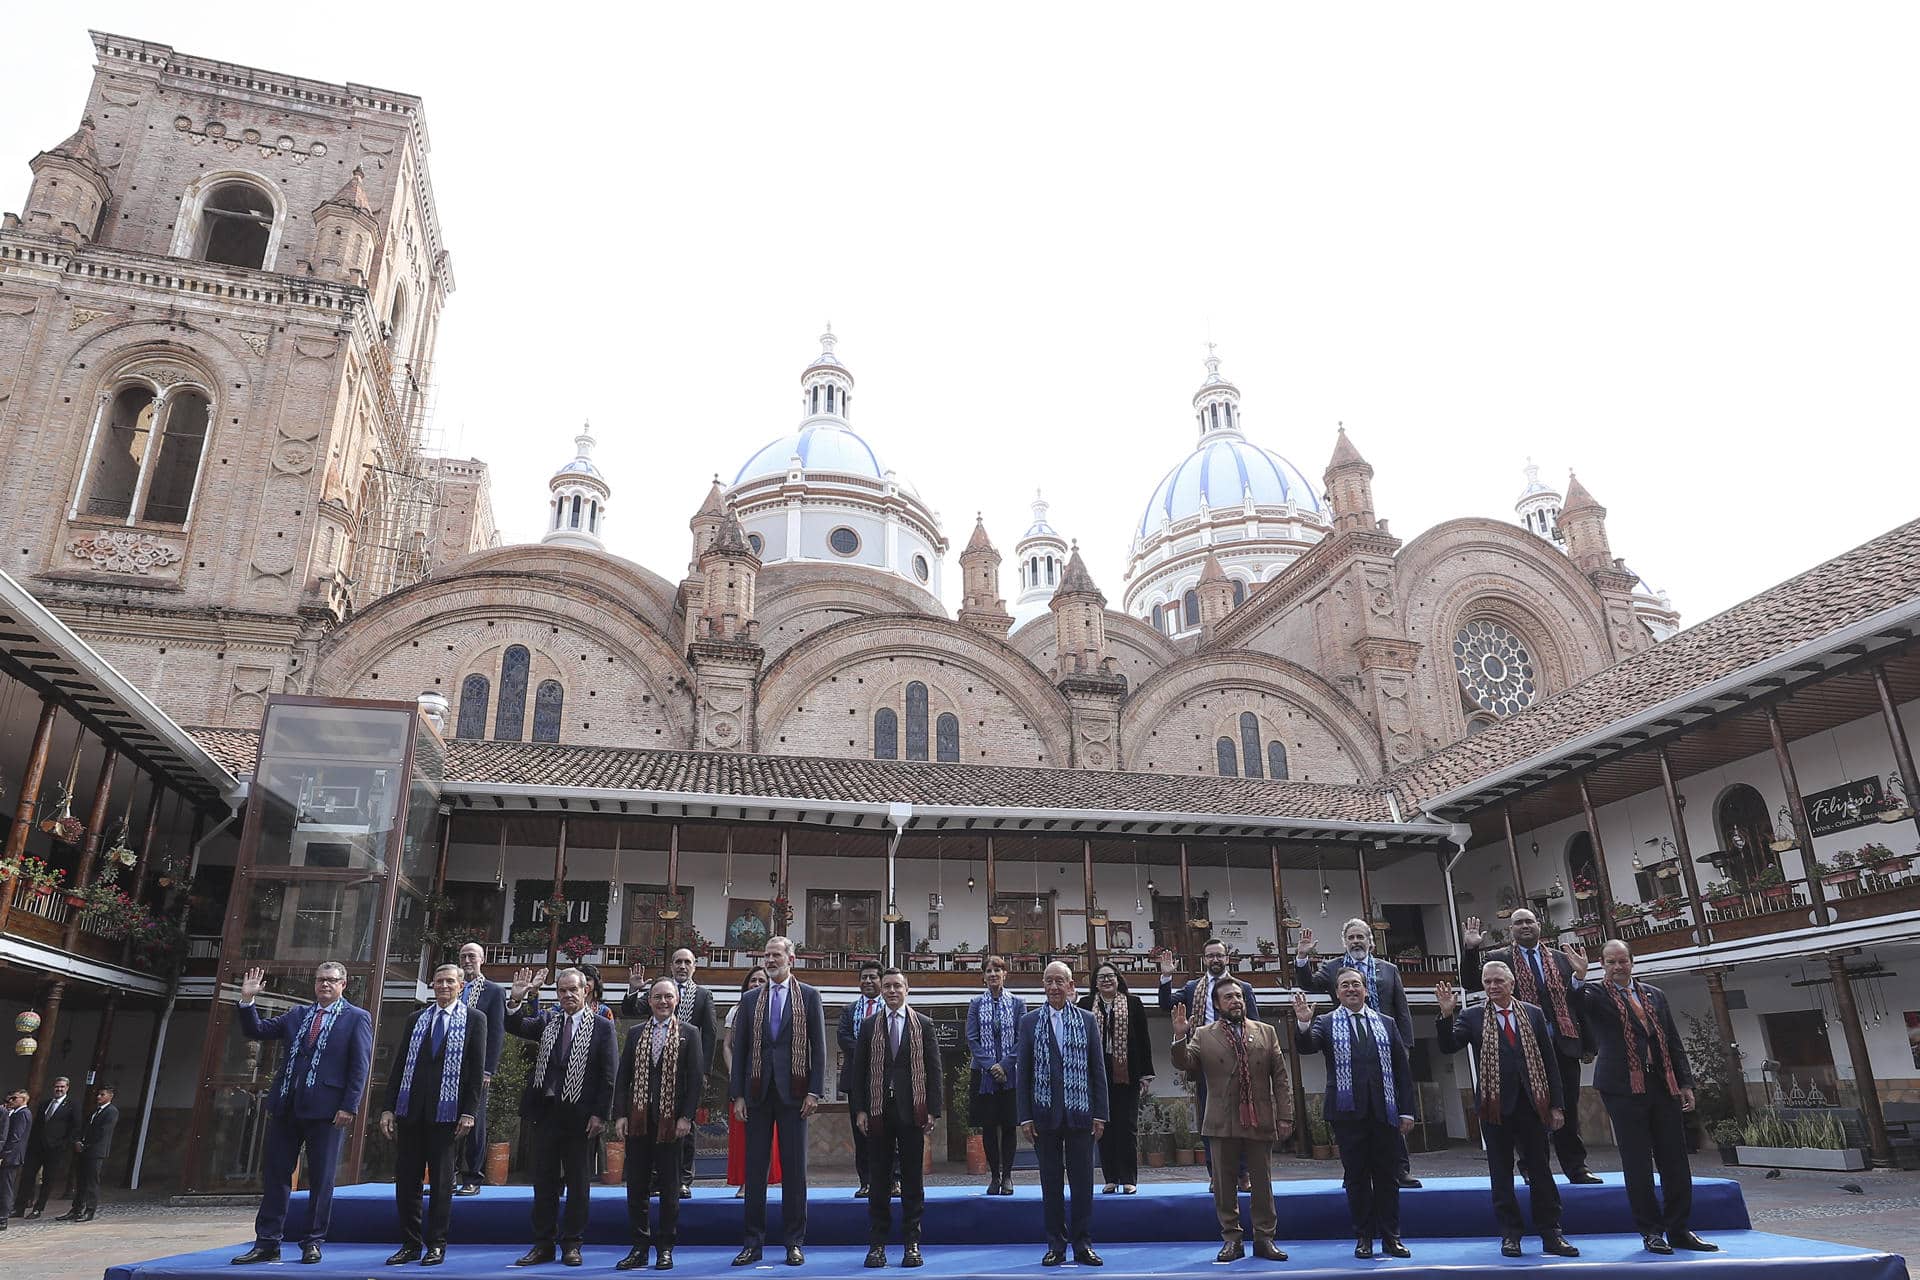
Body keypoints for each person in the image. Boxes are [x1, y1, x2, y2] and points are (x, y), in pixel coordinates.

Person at [1560, 940, 1716, 1255]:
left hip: (1662, 1084)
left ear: (1632, 961)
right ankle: (1651, 1231)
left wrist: (1685, 1082)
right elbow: (1574, 1003)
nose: (1617, 967)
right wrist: (1578, 977)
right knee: (1637, 1161)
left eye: (1622, 961)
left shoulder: (1654, 995)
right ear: (1603, 965)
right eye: (1610, 962)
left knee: (1675, 1159)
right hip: (1622, 1087)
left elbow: (1672, 1039)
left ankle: (1679, 1228)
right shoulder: (1595, 994)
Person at [231, 962, 374, 1264]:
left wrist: (350, 1105)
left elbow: (359, 1067)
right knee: (276, 1176)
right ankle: (267, 1242)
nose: (325, 985)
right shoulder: (298, 1015)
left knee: (321, 1179)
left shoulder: (356, 1018)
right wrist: (247, 1000)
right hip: (287, 1106)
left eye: (331, 981)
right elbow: (256, 1029)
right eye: (320, 980)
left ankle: (313, 1241)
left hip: (328, 1112)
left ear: (343, 985)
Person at [1434, 966, 1578, 1259]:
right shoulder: (1471, 1016)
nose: (1492, 986)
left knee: (1540, 1171)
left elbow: (1550, 1062)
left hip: (1532, 1105)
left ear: (1511, 983)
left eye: (1498, 980)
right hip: (1494, 1107)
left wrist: (1557, 1105)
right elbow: (1450, 1045)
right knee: (1501, 1174)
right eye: (1487, 981)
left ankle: (1551, 1233)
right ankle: (1510, 1235)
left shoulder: (1533, 1013)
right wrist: (1446, 1016)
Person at [1460, 912, 1601, 1183]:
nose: (1525, 926)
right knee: (1527, 1110)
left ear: (1539, 926)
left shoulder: (1561, 959)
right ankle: (1530, 1168)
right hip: (1521, 1048)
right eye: (1518, 923)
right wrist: (1470, 949)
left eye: (1529, 922)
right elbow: (1469, 981)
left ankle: (1576, 1167)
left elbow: (1575, 1005)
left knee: (1566, 1108)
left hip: (1561, 1045)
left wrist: (1580, 979)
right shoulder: (1499, 959)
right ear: (1510, 929)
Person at [1294, 972, 1416, 1260]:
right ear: (1337, 993)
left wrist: (1407, 1110)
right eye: (1345, 985)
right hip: (1347, 1114)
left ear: (1365, 990)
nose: (1351, 989)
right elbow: (1307, 1046)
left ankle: (1391, 1238)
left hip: (1385, 1112)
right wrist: (1302, 1022)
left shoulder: (1386, 1023)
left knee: (1388, 1177)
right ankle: (1364, 1238)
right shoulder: (1325, 1022)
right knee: (1356, 1178)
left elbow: (1402, 1070)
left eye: (1356, 984)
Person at [505, 965, 619, 1268]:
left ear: (586, 990)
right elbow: (515, 1026)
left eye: (573, 989)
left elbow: (609, 1075)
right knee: (543, 1184)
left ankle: (572, 1244)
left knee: (579, 1186)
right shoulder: (548, 1021)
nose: (568, 995)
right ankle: (543, 1244)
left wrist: (600, 1115)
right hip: (546, 1115)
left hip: (581, 1118)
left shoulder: (601, 1026)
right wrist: (517, 999)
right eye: (562, 990)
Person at [1171, 979, 1292, 1262]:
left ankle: (1265, 1238)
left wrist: (1285, 1115)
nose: (1236, 1001)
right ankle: (1232, 1240)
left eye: (1239, 996)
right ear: (1217, 1004)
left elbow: (1282, 1078)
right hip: (1221, 1118)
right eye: (1228, 997)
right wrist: (1179, 1038)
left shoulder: (1266, 1032)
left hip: (1259, 1117)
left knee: (1262, 1183)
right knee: (1225, 1186)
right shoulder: (1203, 1034)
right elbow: (1185, 1063)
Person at [1296, 920, 1421, 1187]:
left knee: (1391, 1110)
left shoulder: (1388, 970)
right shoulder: (1332, 969)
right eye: (1351, 937)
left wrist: (1405, 1046)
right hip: (1348, 1047)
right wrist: (1303, 957)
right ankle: (1354, 1170)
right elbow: (1307, 984)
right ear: (1344, 941)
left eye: (1360, 937)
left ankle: (1400, 1168)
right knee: (1354, 1114)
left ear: (1370, 940)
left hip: (1386, 1047)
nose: (1356, 941)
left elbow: (1401, 1008)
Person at [380, 963, 488, 1266]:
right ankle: (409, 1244)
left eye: (450, 982)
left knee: (442, 1185)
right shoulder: (417, 1018)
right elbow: (399, 1065)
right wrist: (388, 1107)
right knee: (407, 1182)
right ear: (432, 984)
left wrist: (470, 1112)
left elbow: (476, 1071)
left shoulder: (474, 1020)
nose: (443, 987)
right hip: (410, 1113)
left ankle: (436, 1244)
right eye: (439, 981)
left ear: (461, 985)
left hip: (448, 1114)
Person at [728, 935, 826, 1267]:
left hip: (794, 1095)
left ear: (791, 959)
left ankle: (793, 1242)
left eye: (776, 955)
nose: (770, 960)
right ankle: (752, 1243)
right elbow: (739, 1049)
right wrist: (737, 1094)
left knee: (794, 1171)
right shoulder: (751, 998)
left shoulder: (810, 996)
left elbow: (819, 1047)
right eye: (766, 956)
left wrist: (814, 1091)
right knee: (755, 1172)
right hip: (756, 1093)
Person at [1018, 961, 1109, 1268]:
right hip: (1044, 1118)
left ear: (1071, 987)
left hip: (1081, 1116)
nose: (1054, 987)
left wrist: (1101, 1114)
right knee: (1051, 1184)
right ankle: (1055, 1244)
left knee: (1083, 1184)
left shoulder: (1087, 1020)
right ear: (1043, 987)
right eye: (1049, 981)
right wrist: (1025, 1117)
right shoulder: (1029, 1022)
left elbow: (1098, 1070)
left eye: (1060, 981)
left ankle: (1083, 1244)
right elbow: (1024, 1075)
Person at [851, 968, 943, 1269]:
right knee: (878, 1180)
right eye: (887, 986)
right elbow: (859, 1072)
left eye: (897, 986)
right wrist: (861, 1109)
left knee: (913, 1180)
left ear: (907, 989)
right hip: (878, 1112)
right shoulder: (868, 1026)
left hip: (912, 1111)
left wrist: (933, 1109)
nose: (891, 991)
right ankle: (877, 1244)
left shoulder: (924, 1025)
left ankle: (912, 1243)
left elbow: (934, 1070)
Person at [613, 978, 701, 1272]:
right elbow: (623, 1077)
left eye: (668, 997)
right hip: (638, 1122)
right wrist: (621, 1114)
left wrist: (686, 1117)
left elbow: (695, 1081)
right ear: (649, 1001)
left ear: (677, 1000)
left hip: (671, 1124)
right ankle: (639, 1247)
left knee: (669, 1186)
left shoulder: (690, 1033)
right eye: (657, 997)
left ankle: (665, 1247)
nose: (663, 1002)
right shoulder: (637, 1033)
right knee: (636, 1186)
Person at [1159, 937, 1260, 1189]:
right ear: (1204, 959)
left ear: (1227, 958)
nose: (1215, 959)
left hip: (1239, 1062)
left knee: (1242, 1119)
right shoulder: (1194, 988)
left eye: (1219, 955)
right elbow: (1165, 1005)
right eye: (1210, 955)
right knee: (1210, 1119)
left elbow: (1256, 1025)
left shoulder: (1243, 988)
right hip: (1206, 1062)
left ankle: (1242, 1173)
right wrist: (1165, 978)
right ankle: (1216, 1175)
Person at [624, 949, 722, 1199]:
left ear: (695, 966)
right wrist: (634, 989)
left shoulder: (703, 995)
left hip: (687, 1071)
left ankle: (683, 1179)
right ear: (671, 965)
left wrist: (705, 1072)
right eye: (677, 961)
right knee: (654, 1123)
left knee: (685, 1127)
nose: (682, 966)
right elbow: (631, 1009)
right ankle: (657, 1178)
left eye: (687, 962)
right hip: (655, 1071)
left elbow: (709, 1034)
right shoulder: (658, 992)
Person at [1077, 963, 1152, 1194]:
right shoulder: (1086, 1005)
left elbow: (1143, 1041)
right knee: (1103, 1126)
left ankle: (1129, 1179)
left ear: (1118, 979)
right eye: (1101, 977)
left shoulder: (1133, 1004)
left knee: (1127, 1126)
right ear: (1095, 982)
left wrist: (1145, 1075)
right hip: (1097, 1073)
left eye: (1110, 976)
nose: (1106, 980)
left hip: (1127, 1072)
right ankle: (1110, 1177)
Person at [964, 955, 1023, 1196]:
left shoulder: (1018, 1003)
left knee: (1009, 1127)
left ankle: (1008, 1176)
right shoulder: (976, 1003)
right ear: (983, 976)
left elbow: (1022, 1038)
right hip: (984, 1075)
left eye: (997, 970)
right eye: (988, 971)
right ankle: (994, 1176)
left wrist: (1005, 1065)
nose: (993, 974)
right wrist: (991, 1066)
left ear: (1005, 974)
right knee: (988, 1127)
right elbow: (972, 1038)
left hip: (1011, 1074)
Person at [453, 941, 508, 1197]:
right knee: (447, 1119)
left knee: (474, 1120)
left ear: (482, 959)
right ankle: (449, 1175)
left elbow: (496, 1032)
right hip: (450, 1067)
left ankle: (473, 1176)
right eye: (463, 956)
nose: (467, 960)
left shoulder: (493, 991)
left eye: (471, 956)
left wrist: (488, 1070)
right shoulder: (453, 988)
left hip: (477, 1069)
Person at [722, 968, 782, 1199]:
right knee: (742, 1134)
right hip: (742, 1080)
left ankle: (762, 1181)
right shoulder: (736, 1010)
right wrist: (734, 1073)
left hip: (769, 1080)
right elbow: (727, 1045)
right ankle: (745, 1182)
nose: (756, 983)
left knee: (765, 1134)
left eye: (761, 980)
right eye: (753, 980)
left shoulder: (776, 1009)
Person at [837, 960, 889, 1199]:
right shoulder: (849, 1010)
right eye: (864, 977)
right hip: (857, 1081)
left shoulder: (890, 1008)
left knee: (890, 1133)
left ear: (881, 981)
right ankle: (866, 1181)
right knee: (861, 1133)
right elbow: (843, 1037)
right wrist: (867, 1051)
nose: (867, 981)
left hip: (886, 1080)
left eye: (872, 977)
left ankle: (893, 1181)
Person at [58, 1083, 118, 1224]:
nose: (99, 1097)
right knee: (81, 1181)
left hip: (96, 1151)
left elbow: (103, 1133)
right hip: (84, 1151)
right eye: (98, 1094)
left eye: (102, 1095)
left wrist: (87, 1145)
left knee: (91, 1182)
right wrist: (78, 1141)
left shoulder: (111, 1111)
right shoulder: (94, 1111)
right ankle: (76, 1209)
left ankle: (90, 1210)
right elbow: (84, 1128)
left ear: (110, 1096)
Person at [18, 1075, 74, 1220]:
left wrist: (63, 1144)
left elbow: (74, 1128)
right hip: (37, 1147)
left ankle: (38, 1208)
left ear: (67, 1088)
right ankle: (19, 1207)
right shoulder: (45, 1103)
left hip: (55, 1149)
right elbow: (37, 1125)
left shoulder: (72, 1105)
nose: (59, 1089)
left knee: (48, 1180)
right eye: (57, 1086)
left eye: (62, 1086)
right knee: (27, 1176)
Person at [0, 1088, 29, 1231]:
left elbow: (15, 1138)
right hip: (10, 1156)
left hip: (11, 1157)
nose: (11, 1101)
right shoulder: (15, 1113)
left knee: (6, 1187)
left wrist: (4, 1155)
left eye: (14, 1098)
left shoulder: (22, 1114)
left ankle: (3, 1218)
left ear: (23, 1100)